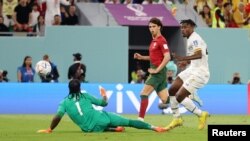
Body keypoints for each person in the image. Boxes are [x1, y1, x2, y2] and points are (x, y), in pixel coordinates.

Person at [37, 79, 167, 133]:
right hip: (102, 118)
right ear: (80, 88)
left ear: (68, 88)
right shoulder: (85, 95)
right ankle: (155, 128)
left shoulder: (64, 102)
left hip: (89, 129)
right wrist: (104, 95)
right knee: (129, 122)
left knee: (94, 126)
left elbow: (57, 117)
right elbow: (104, 103)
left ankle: (113, 130)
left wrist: (50, 129)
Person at [165, 19, 209, 130]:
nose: (182, 30)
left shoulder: (195, 38)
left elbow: (199, 55)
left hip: (200, 73)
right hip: (192, 69)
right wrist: (186, 62)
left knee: (179, 96)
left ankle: (201, 114)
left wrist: (183, 58)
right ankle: (177, 118)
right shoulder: (190, 39)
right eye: (181, 27)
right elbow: (197, 57)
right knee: (172, 90)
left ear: (192, 27)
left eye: (185, 27)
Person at [134, 17, 170, 121]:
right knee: (165, 100)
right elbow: (155, 57)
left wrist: (157, 70)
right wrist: (141, 57)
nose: (151, 29)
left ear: (159, 27)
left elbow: (167, 57)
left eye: (154, 26)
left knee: (144, 94)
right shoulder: (154, 40)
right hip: (159, 72)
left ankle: (140, 119)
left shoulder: (161, 40)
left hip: (158, 73)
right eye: (150, 27)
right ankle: (183, 98)